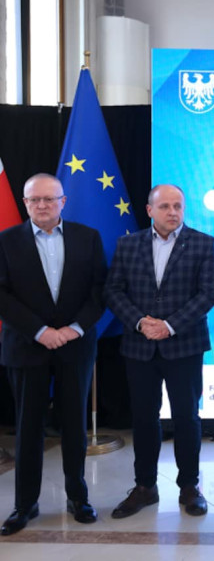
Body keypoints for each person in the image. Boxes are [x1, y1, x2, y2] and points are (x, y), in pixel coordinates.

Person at [104, 184, 214, 518]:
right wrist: (140, 322)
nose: (173, 212)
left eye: (178, 206)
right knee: (143, 418)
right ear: (149, 210)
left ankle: (189, 487)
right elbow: (113, 291)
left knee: (187, 417)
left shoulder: (203, 243)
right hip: (139, 346)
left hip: (184, 345)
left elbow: (208, 293)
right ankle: (145, 487)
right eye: (165, 206)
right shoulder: (128, 244)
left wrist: (169, 326)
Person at [0, 173, 106, 536]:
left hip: (75, 345)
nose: (42, 205)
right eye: (35, 200)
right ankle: (24, 504)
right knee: (28, 428)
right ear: (25, 203)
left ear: (63, 201)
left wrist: (73, 329)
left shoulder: (88, 238)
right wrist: (40, 331)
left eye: (49, 199)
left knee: (74, 425)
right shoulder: (6, 241)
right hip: (26, 346)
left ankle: (78, 497)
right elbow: (2, 295)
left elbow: (99, 291)